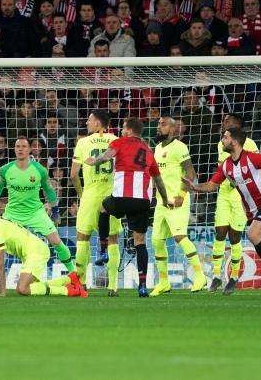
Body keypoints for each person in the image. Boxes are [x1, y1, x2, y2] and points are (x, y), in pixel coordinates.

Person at [183, 126, 261, 298]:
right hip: (253, 211)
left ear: (234, 141)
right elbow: (212, 185)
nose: (222, 141)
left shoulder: (252, 157)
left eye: (225, 137)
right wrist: (195, 187)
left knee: (252, 234)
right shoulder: (226, 165)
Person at [0, 137, 84, 295]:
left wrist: (54, 210)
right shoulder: (6, 169)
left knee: (56, 242)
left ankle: (75, 277)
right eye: (17, 146)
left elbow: (48, 190)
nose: (20, 149)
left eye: (23, 147)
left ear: (29, 150)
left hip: (35, 212)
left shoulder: (40, 170)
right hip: (13, 212)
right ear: (14, 149)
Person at [85, 117, 170, 297]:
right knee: (140, 241)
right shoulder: (148, 151)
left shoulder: (120, 142)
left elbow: (106, 156)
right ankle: (142, 286)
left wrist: (94, 161)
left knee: (102, 209)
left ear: (129, 131)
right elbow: (159, 181)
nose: (122, 131)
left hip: (122, 197)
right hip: (142, 201)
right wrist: (165, 199)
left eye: (123, 128)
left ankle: (103, 250)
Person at [0, 200, 85, 297]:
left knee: (23, 289)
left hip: (36, 251)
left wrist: (2, 291)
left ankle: (68, 291)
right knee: (33, 287)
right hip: (29, 252)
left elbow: (0, 263)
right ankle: (69, 278)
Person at [149, 116, 207, 296]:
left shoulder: (180, 147)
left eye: (163, 124)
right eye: (158, 124)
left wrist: (182, 195)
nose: (159, 127)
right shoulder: (157, 148)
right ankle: (164, 282)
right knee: (156, 241)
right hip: (161, 202)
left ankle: (200, 275)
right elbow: (157, 175)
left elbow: (191, 172)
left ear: (173, 129)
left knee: (180, 237)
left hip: (177, 200)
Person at [69, 110, 121, 296]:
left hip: (90, 196)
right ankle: (113, 286)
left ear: (98, 124)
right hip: (111, 195)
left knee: (83, 237)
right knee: (113, 238)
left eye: (89, 120)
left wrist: (82, 194)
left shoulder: (82, 143)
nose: (86, 123)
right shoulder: (117, 140)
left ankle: (81, 284)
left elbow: (73, 175)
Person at [206, 113, 255, 294]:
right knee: (220, 232)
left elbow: (257, 168)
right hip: (224, 193)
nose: (224, 123)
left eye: (227, 121)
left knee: (234, 235)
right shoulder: (221, 144)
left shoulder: (250, 144)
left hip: (241, 195)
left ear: (236, 125)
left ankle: (233, 277)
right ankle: (217, 276)